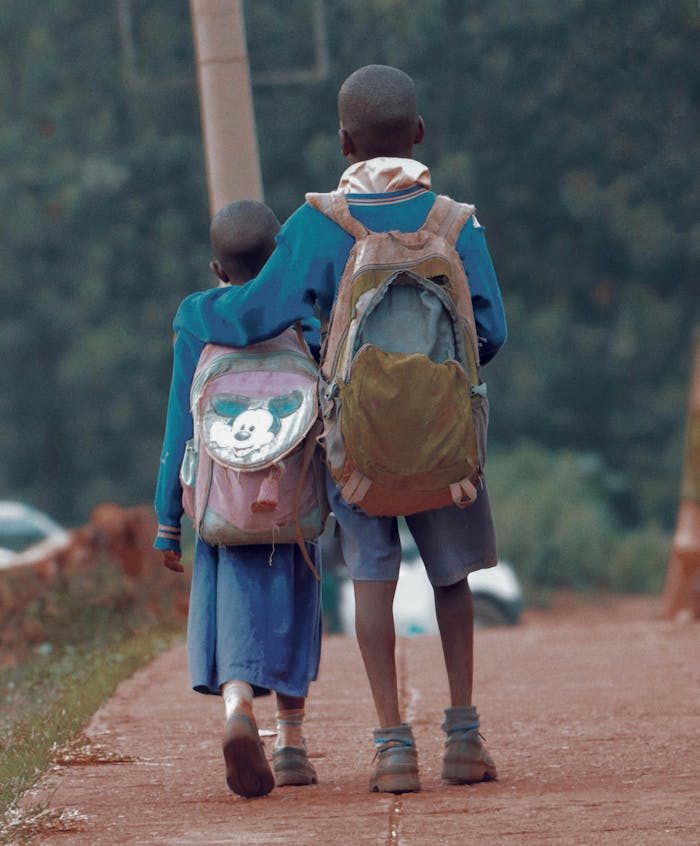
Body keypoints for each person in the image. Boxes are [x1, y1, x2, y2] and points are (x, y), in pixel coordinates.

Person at [172, 65, 507, 794]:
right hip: (446, 443)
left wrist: (195, 315)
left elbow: (256, 313)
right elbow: (492, 330)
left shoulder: (319, 224)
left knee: (372, 580)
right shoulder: (456, 221)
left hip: (355, 446)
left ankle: (392, 750)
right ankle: (464, 738)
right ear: (419, 134)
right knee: (451, 582)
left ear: (344, 142)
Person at [154, 200, 322, 798]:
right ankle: (293, 743)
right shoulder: (304, 314)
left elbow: (180, 423)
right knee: (296, 604)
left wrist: (167, 522)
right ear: (277, 257)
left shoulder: (195, 319)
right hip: (291, 504)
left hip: (220, 505)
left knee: (232, 615)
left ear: (216, 268)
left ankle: (236, 707)